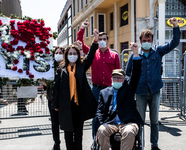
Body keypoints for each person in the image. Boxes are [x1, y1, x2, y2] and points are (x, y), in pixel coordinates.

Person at [125, 17, 180, 150]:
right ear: (140, 41)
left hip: (155, 91)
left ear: (152, 41)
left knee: (154, 121)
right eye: (144, 41)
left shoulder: (158, 51)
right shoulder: (135, 55)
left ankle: (154, 144)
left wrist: (175, 27)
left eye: (149, 41)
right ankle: (139, 144)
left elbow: (174, 43)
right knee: (140, 121)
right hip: (140, 92)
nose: (146, 43)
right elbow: (128, 73)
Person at [52, 29, 99, 150]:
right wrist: (55, 104)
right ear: (66, 55)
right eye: (70, 53)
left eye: (75, 53)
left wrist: (95, 41)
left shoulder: (81, 66)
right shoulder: (61, 69)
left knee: (78, 134)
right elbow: (56, 87)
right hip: (65, 106)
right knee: (68, 133)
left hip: (79, 106)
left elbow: (91, 55)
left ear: (78, 55)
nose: (72, 55)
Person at [77, 21, 121, 147]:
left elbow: (118, 74)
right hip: (96, 90)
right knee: (96, 117)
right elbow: (79, 42)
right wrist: (82, 29)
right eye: (99, 39)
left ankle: (110, 142)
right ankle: (96, 142)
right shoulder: (93, 52)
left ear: (107, 41)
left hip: (110, 89)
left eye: (103, 39)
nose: (101, 41)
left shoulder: (114, 55)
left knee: (111, 115)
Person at [96, 43, 143, 150]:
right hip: (110, 122)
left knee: (129, 132)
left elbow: (136, 74)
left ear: (124, 79)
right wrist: (99, 128)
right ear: (111, 79)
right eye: (114, 78)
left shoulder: (129, 88)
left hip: (127, 121)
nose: (116, 80)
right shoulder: (104, 92)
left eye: (119, 78)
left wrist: (135, 53)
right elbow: (99, 112)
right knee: (102, 131)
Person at [40, 46, 64, 150]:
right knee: (54, 123)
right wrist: (43, 83)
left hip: (64, 101)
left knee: (65, 122)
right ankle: (56, 143)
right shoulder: (50, 68)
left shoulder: (67, 67)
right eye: (56, 53)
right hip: (52, 99)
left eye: (60, 52)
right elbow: (48, 86)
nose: (58, 54)